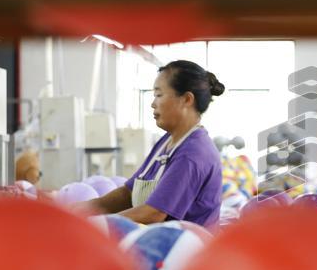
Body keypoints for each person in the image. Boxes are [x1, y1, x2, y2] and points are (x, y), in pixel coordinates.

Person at [79, 60, 225, 227]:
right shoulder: (167, 141)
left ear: (186, 99)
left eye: (159, 95)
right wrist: (81, 209)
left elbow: (155, 213)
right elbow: (128, 193)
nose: (153, 103)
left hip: (185, 248)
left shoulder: (194, 153)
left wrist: (95, 224)